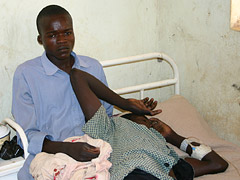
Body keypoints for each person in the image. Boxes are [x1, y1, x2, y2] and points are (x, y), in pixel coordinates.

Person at [69, 68, 228, 180]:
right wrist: (124, 104)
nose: (151, 123)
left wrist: (173, 137)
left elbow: (218, 164)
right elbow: (78, 76)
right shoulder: (109, 127)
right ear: (128, 117)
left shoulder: (169, 158)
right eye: (144, 119)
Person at [12, 5, 113, 179]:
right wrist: (66, 148)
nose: (62, 40)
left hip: (95, 149)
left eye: (67, 33)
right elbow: (27, 136)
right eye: (52, 35)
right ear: (40, 39)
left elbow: (106, 118)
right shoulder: (26, 74)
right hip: (51, 155)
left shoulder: (92, 67)